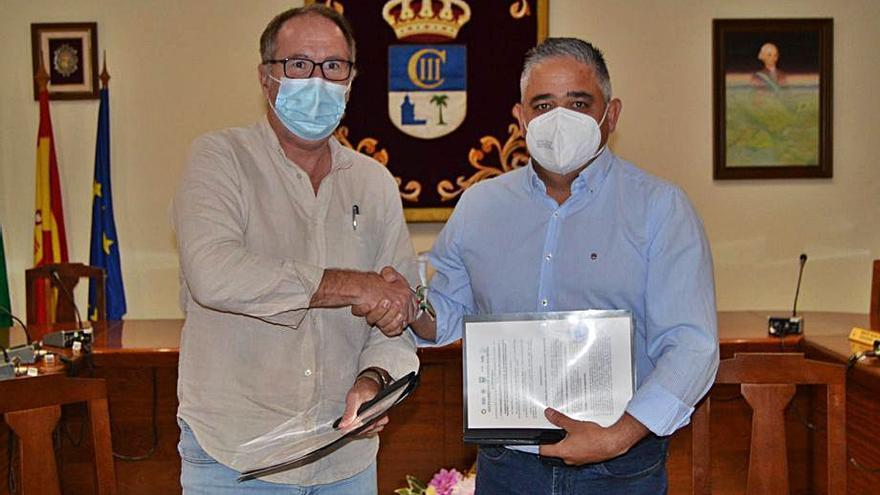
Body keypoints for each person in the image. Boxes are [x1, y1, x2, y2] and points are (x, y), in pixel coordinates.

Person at [384, 37, 719, 493]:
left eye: (579, 102)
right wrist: (407, 306)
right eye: (543, 104)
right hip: (508, 465)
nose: (559, 118)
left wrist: (618, 436)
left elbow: (691, 344)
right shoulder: (481, 206)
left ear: (611, 114)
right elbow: (446, 311)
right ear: (521, 117)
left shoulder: (659, 208)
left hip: (619, 466)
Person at [171, 5, 419, 494]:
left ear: (350, 80)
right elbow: (215, 274)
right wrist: (354, 285)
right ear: (267, 78)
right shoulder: (219, 159)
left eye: (334, 67)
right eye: (299, 65)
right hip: (236, 459)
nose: (318, 81)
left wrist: (373, 382)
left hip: (343, 459)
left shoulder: (373, 183)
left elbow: (396, 313)